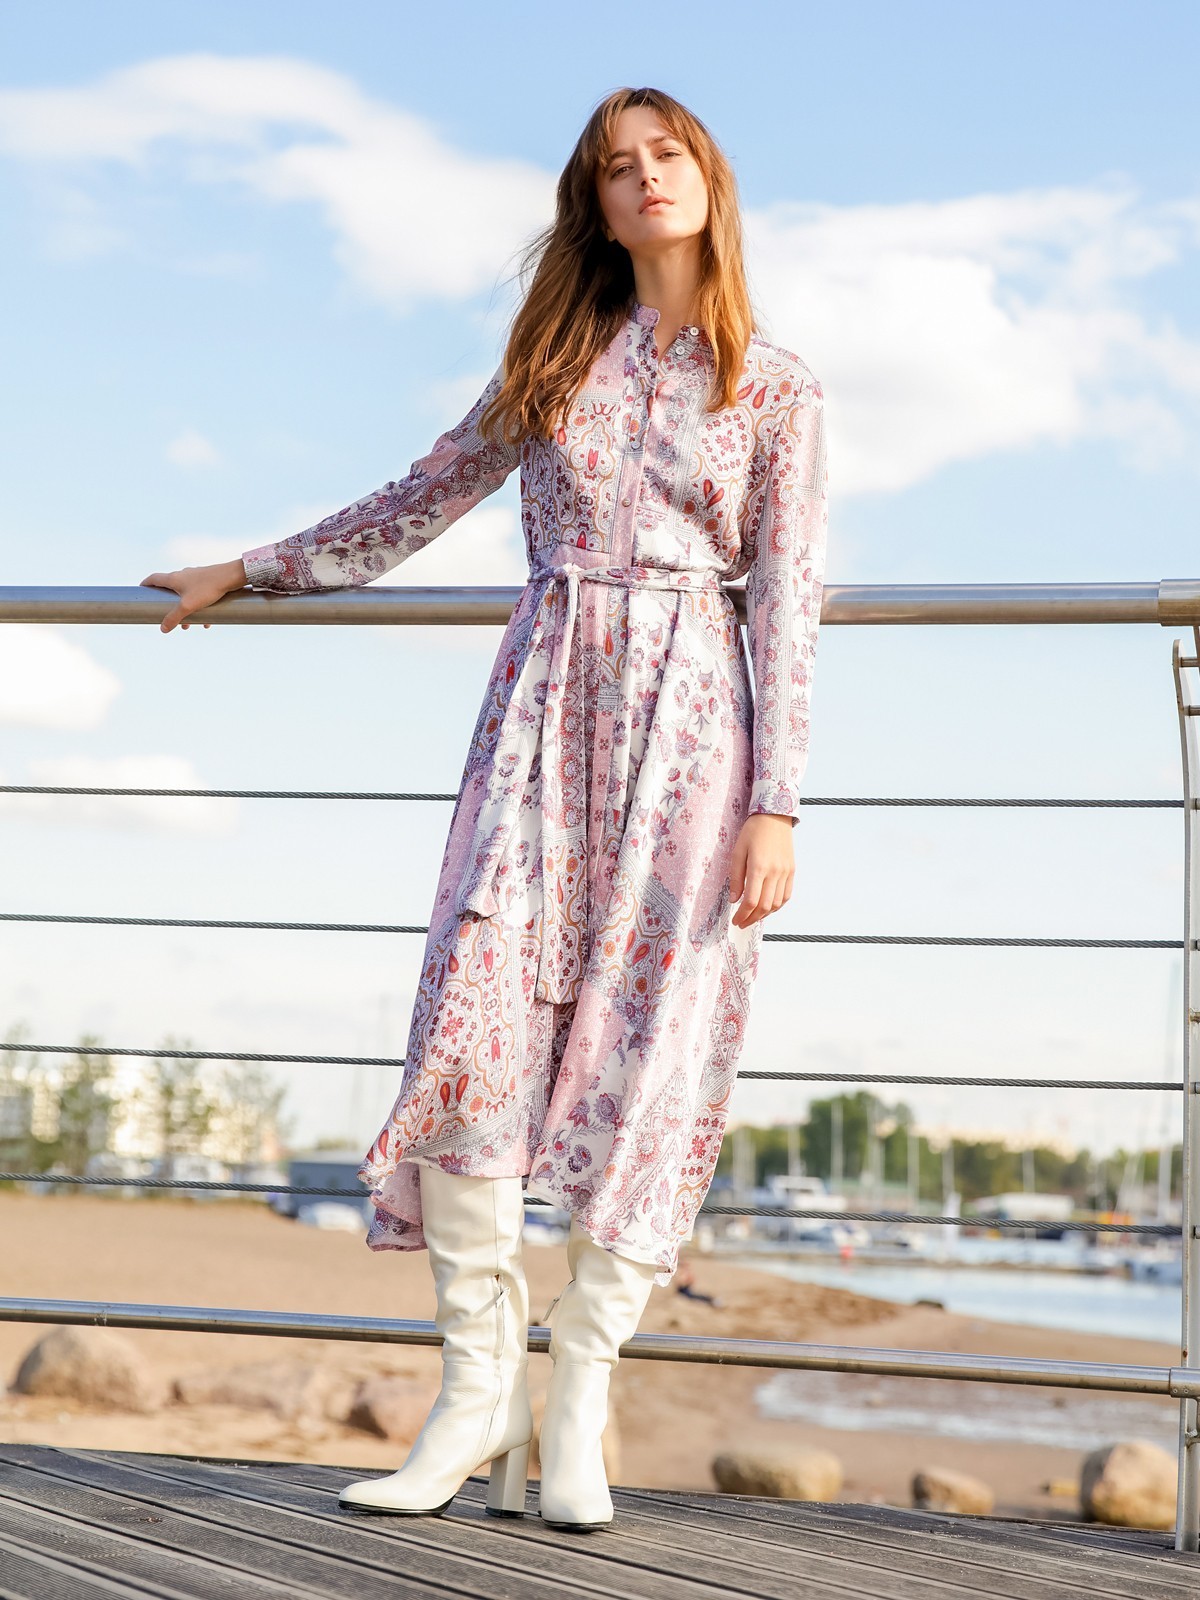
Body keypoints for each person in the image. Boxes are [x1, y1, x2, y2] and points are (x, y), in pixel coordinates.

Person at [141, 84, 830, 1532]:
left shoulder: (776, 386)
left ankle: (578, 1401)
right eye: (617, 168)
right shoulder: (557, 360)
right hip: (541, 720)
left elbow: (786, 601)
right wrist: (252, 569)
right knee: (474, 1034)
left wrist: (777, 803)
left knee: (655, 1056)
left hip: (693, 741)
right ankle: (473, 1398)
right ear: (596, 205)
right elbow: (426, 493)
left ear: (709, 179)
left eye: (667, 157)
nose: (645, 180)